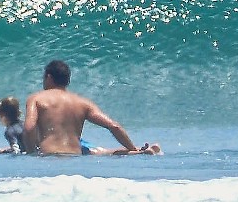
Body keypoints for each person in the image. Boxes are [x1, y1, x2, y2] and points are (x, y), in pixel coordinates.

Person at [21, 59, 161, 156]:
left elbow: (29, 128)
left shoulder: (37, 98)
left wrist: (31, 153)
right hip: (75, 156)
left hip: (48, 155)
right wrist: (131, 146)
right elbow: (114, 126)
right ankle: (137, 152)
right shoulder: (82, 103)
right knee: (101, 152)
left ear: (49, 78)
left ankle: (136, 152)